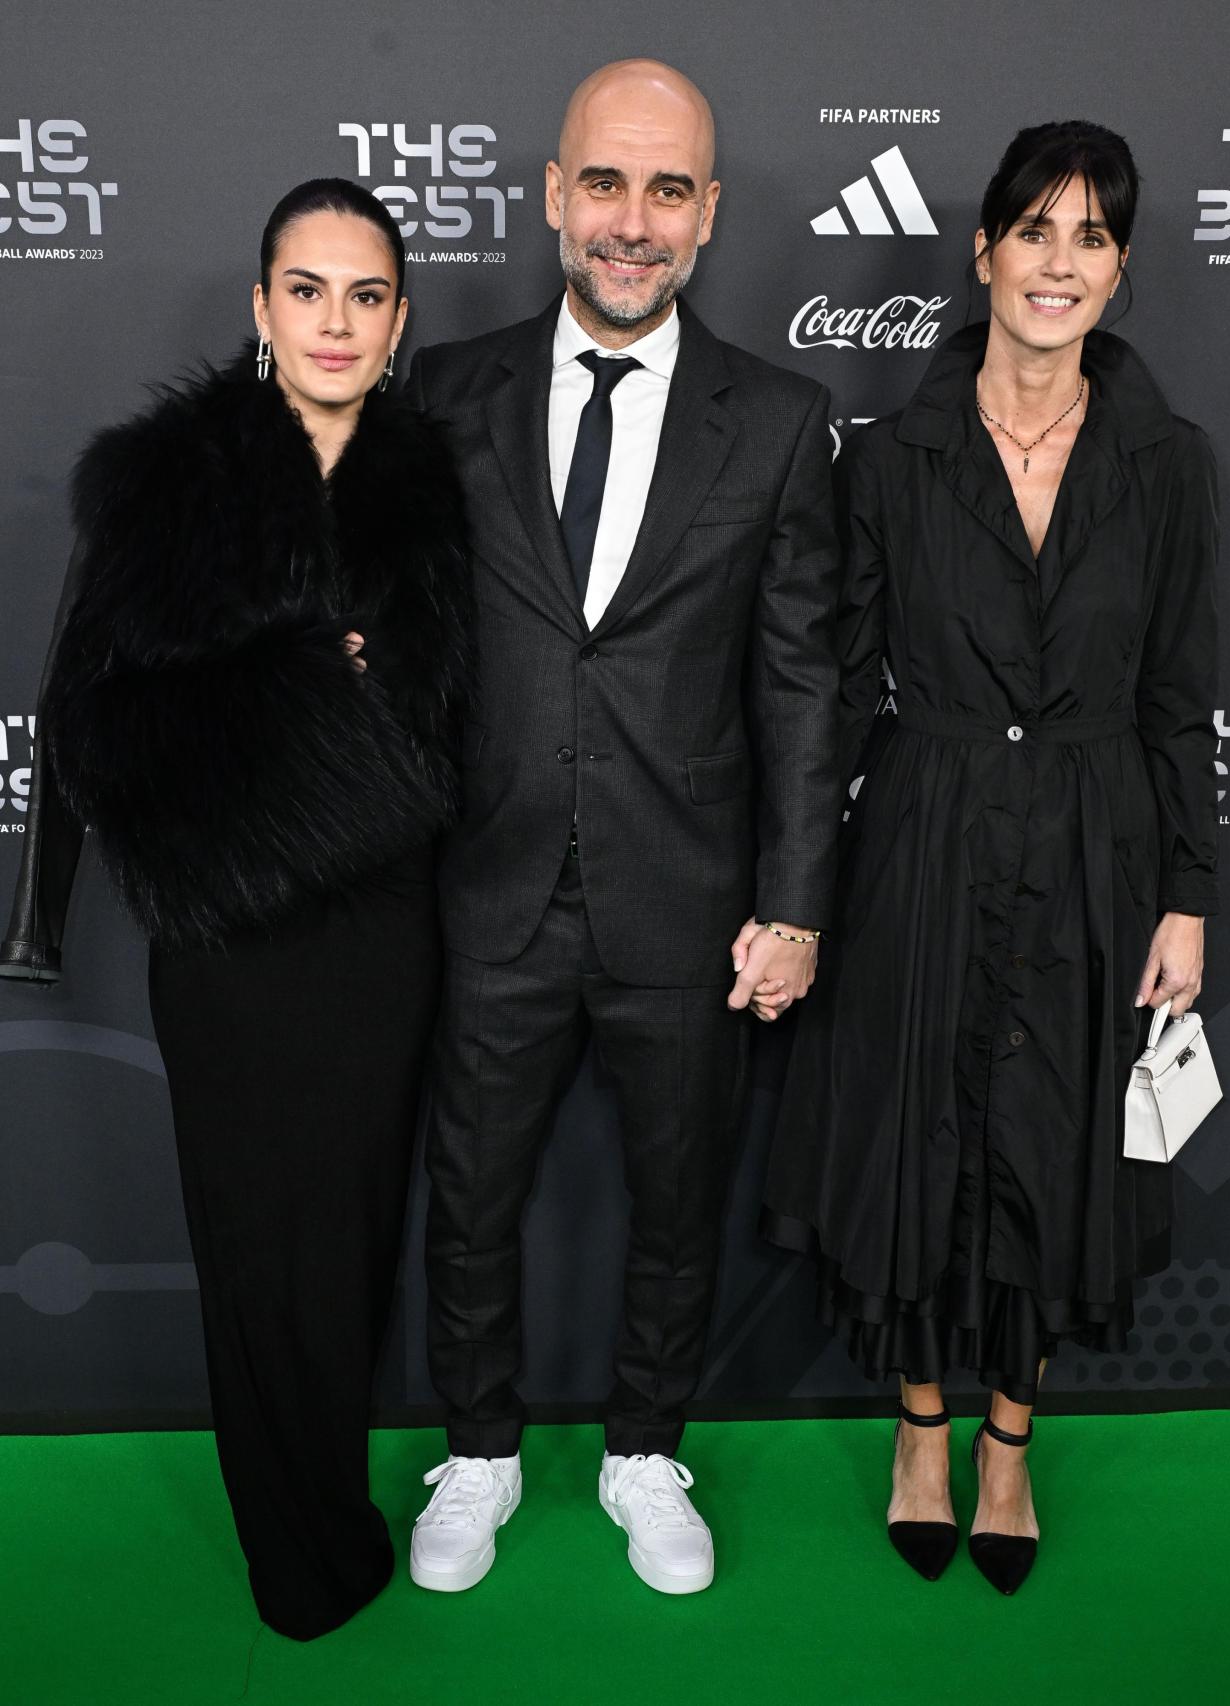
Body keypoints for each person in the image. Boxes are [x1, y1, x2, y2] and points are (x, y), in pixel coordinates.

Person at [0, 179, 470, 1640]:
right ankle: (293, 1549)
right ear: (262, 307)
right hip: (227, 938)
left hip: (381, 931)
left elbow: (459, 723)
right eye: (307, 290)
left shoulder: (432, 487)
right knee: (252, 1244)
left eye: (366, 295)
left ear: (399, 322)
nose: (336, 321)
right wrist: (299, 691)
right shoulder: (169, 481)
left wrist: (348, 698)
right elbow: (87, 711)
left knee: (349, 1237)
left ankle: (330, 1496)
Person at [761, 121, 1219, 1595]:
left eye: (1092, 236)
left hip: (1093, 843)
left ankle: (1010, 1441)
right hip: (924, 832)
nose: (1059, 263)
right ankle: (920, 1427)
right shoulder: (892, 458)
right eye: (1035, 229)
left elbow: (1177, 694)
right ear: (984, 251)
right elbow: (836, 687)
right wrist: (793, 888)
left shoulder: (1168, 465)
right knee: (917, 1133)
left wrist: (1188, 895)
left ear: (1121, 268)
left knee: (1053, 1137)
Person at [405, 59, 840, 1597]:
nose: (632, 221)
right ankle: (479, 1449)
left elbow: (802, 679)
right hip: (492, 875)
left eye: (667, 191)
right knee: (470, 1193)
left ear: (709, 214)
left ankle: (646, 1448)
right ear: (553, 194)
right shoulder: (443, 392)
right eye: (605, 182)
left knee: (678, 1197)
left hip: (689, 891)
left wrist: (796, 897)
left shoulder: (779, 421)